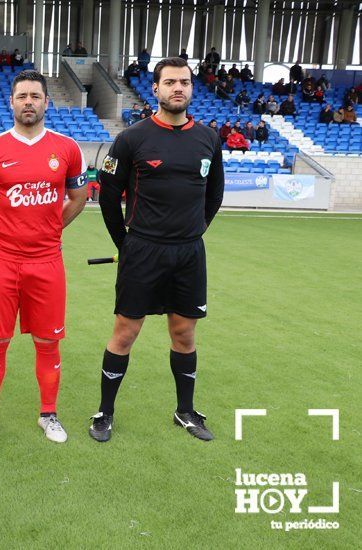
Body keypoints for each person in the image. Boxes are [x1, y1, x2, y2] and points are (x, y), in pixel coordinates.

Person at [92, 56, 224, 443]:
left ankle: (185, 411)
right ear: (156, 89)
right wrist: (126, 244)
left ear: (191, 88)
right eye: (170, 82)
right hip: (143, 251)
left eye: (184, 82)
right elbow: (108, 196)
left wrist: (197, 229)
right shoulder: (133, 138)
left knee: (184, 334)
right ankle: (105, 412)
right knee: (125, 332)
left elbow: (214, 192)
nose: (177, 88)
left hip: (188, 254)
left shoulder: (208, 138)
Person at [0, 70, 88, 444]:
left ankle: (48, 414)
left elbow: (78, 197)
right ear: (11, 102)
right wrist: (4, 230)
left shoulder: (68, 148)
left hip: (47, 262)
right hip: (1, 260)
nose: (29, 102)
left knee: (48, 341)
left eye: (36, 96)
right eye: (22, 96)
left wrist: (51, 229)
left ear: (46, 103)